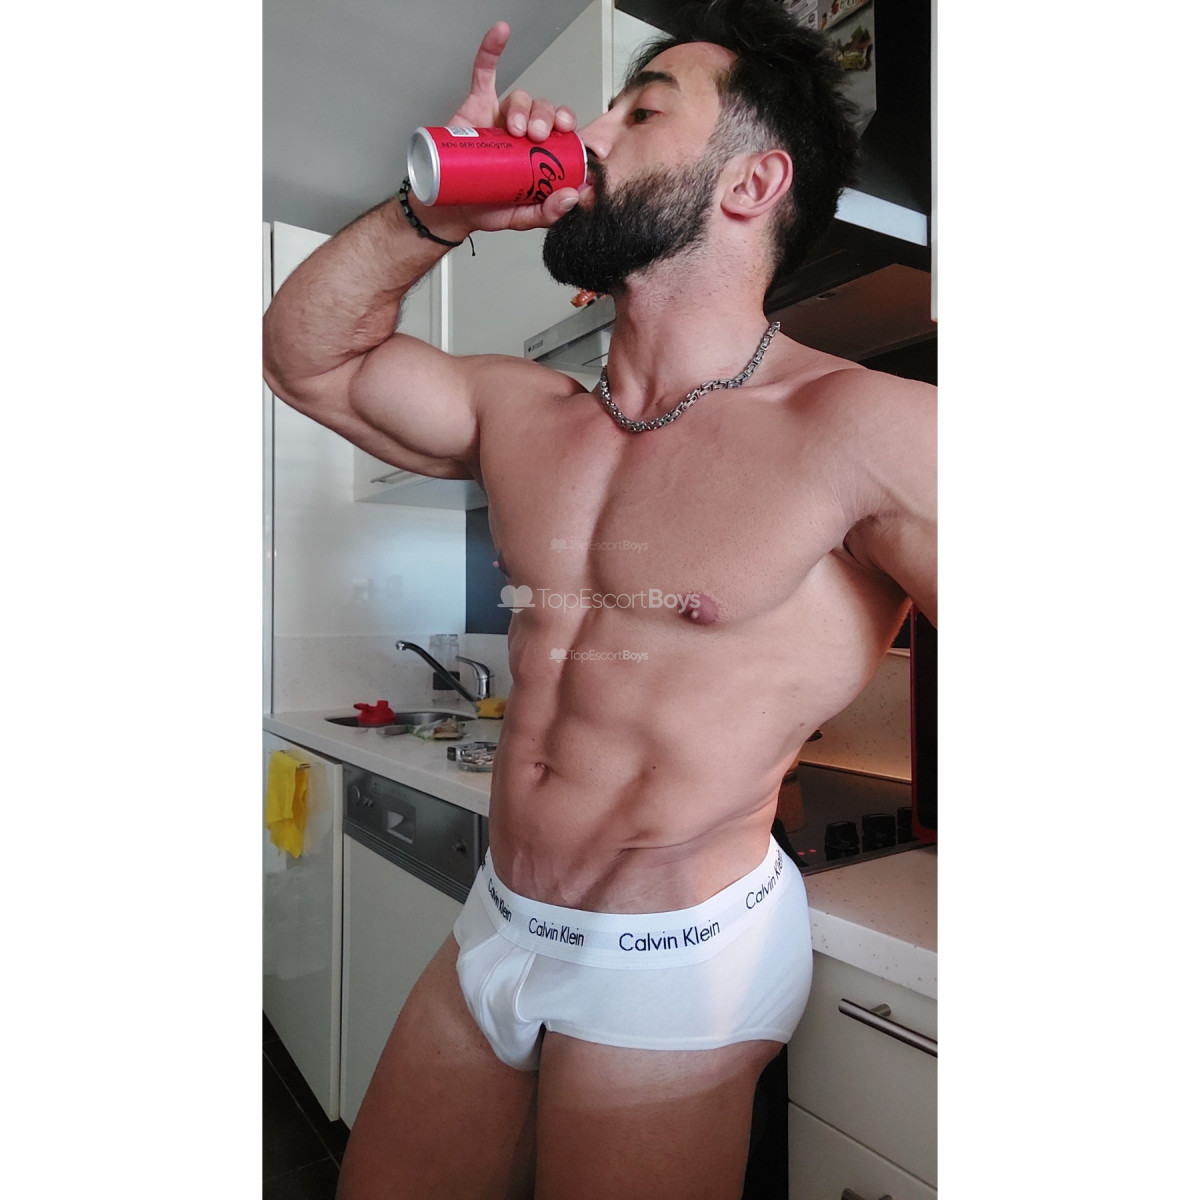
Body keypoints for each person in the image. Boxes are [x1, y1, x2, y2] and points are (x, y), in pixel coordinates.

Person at [263, 1, 936, 1195]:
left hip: (680, 958)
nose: (590, 134)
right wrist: (434, 212)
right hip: (504, 916)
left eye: (642, 111)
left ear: (752, 182)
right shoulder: (524, 409)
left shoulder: (865, 430)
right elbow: (304, 355)